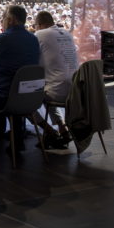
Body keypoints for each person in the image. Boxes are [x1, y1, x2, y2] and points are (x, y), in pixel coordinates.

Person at [0, 5, 40, 150]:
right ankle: (15, 137)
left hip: (2, 97)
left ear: (10, 20)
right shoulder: (33, 40)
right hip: (29, 96)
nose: (2, 21)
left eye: (3, 18)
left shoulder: (1, 40)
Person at [33, 11, 78, 147]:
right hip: (76, 90)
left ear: (40, 25)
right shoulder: (67, 34)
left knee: (24, 98)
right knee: (49, 85)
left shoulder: (40, 34)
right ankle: (63, 129)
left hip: (58, 92)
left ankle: (50, 131)